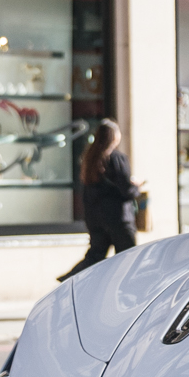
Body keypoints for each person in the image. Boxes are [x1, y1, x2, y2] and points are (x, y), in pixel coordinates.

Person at [59, 119, 136, 279]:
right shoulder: (116, 158)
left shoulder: (90, 159)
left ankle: (71, 279)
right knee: (129, 259)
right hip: (118, 219)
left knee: (95, 256)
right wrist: (137, 186)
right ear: (114, 137)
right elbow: (127, 190)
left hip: (95, 217)